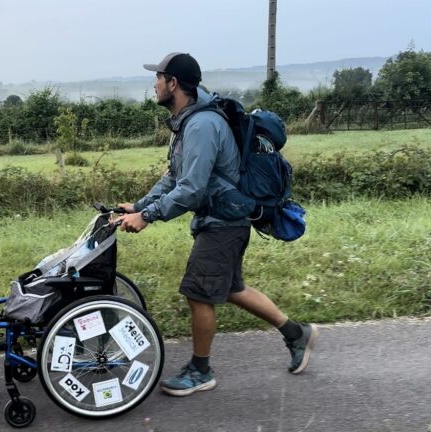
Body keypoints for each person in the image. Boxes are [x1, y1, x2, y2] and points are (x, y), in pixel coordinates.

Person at [116, 52, 317, 397]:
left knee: (198, 293)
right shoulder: (186, 123)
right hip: (222, 220)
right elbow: (174, 179)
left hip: (223, 223)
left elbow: (191, 190)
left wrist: (146, 218)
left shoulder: (202, 126)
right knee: (230, 289)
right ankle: (297, 334)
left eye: (159, 78)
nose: (154, 84)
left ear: (173, 84)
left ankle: (200, 370)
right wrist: (138, 205)